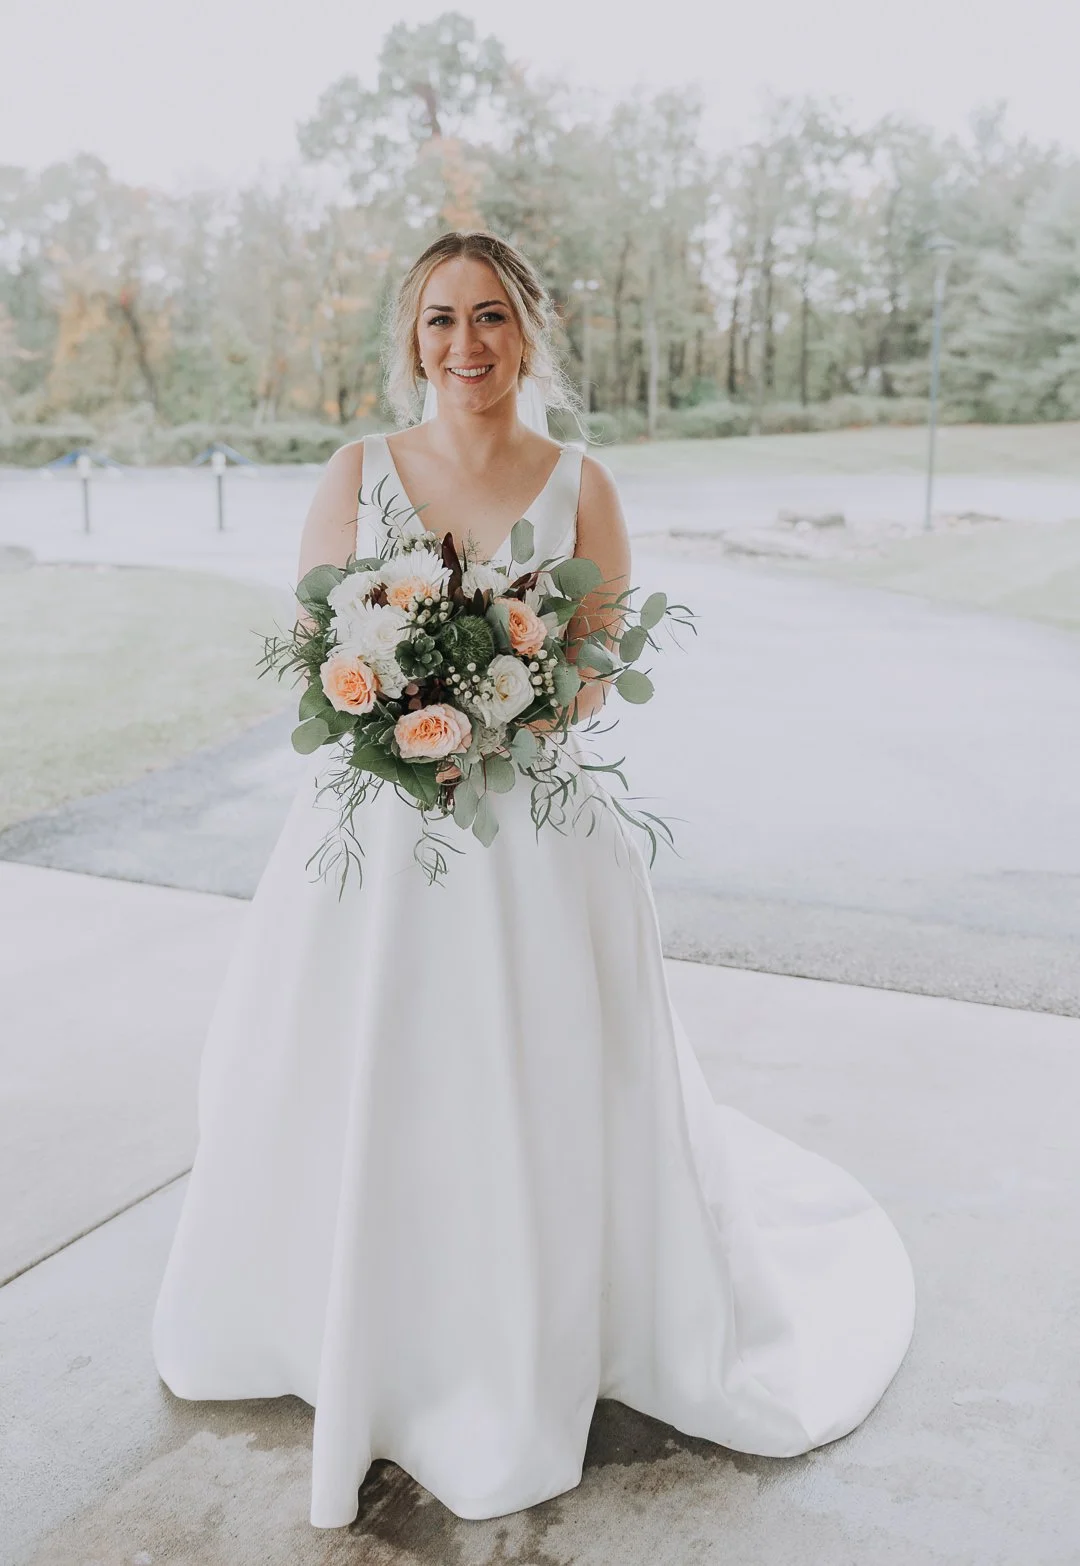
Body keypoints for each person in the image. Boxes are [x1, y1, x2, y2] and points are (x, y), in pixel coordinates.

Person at [151, 230, 916, 1530]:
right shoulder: (357, 474)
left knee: (531, 1068)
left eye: (492, 316)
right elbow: (313, 647)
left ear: (528, 333)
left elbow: (599, 670)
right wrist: (399, 701)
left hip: (532, 831)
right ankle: (348, 1317)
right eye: (442, 318)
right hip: (374, 839)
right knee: (364, 1066)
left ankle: (535, 1323)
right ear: (411, 339)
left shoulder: (580, 484)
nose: (467, 344)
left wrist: (491, 705)